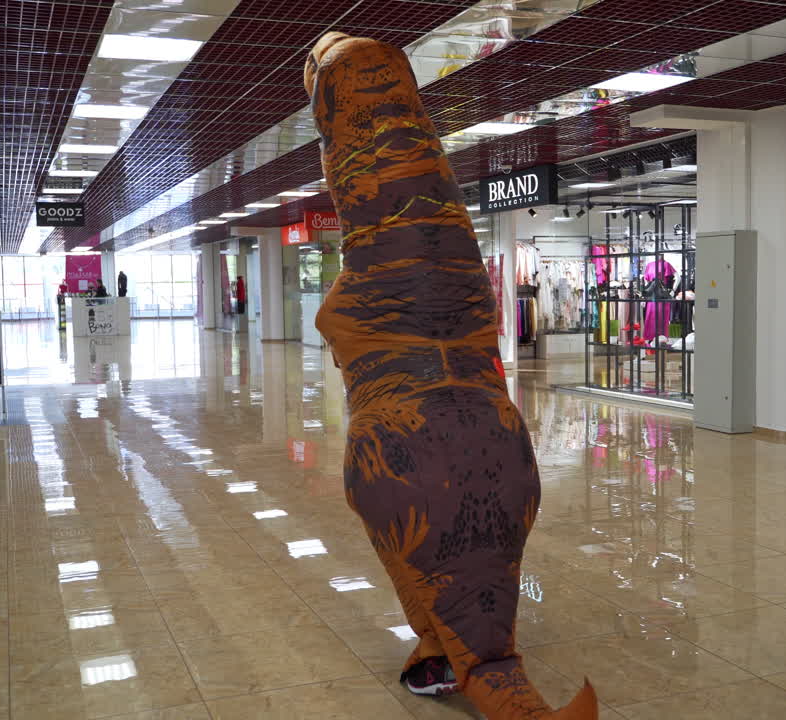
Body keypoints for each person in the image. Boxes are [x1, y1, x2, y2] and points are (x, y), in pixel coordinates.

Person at [304, 32, 597, 719]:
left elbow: (350, 313)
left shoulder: (385, 277)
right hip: (489, 425)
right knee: (470, 572)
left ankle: (454, 656)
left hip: (407, 434)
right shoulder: (460, 277)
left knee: (437, 564)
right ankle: (460, 658)